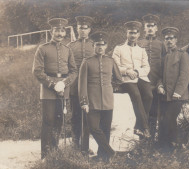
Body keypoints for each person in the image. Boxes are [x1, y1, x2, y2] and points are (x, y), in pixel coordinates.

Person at [32, 18, 77, 159]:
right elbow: (37, 71)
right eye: (56, 30)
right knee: (48, 120)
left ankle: (54, 151)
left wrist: (64, 83)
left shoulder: (67, 50)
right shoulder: (43, 48)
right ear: (51, 31)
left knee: (59, 120)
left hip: (64, 89)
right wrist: (52, 84)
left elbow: (74, 70)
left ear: (65, 33)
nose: (59, 33)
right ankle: (45, 155)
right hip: (48, 90)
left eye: (62, 30)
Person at [78, 31, 122, 161]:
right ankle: (111, 152)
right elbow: (82, 84)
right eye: (97, 45)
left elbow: (119, 79)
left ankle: (104, 157)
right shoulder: (87, 62)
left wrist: (110, 86)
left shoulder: (111, 61)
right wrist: (84, 102)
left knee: (106, 129)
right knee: (94, 128)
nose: (100, 47)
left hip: (107, 100)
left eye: (103, 45)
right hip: (92, 101)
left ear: (106, 46)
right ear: (93, 46)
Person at [112, 21, 153, 138]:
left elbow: (147, 67)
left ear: (138, 34)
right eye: (130, 33)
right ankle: (145, 127)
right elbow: (115, 66)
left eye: (135, 33)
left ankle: (138, 126)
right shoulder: (119, 48)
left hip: (140, 77)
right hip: (126, 79)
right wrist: (127, 71)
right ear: (127, 33)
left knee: (149, 96)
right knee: (136, 95)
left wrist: (137, 72)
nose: (133, 36)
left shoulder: (141, 50)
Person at [157, 27, 189, 150]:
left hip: (177, 96)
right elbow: (160, 76)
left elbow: (185, 75)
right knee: (164, 121)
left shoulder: (183, 55)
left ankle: (172, 146)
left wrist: (178, 92)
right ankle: (167, 146)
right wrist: (159, 85)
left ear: (176, 40)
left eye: (171, 38)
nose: (169, 41)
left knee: (169, 119)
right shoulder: (164, 57)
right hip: (165, 96)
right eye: (166, 39)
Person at [67, 16, 94, 152]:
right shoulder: (71, 46)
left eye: (85, 28)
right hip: (74, 85)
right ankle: (75, 144)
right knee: (75, 115)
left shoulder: (94, 45)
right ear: (77, 29)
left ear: (89, 29)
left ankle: (85, 145)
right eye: (80, 28)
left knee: (88, 116)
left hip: (90, 86)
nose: (83, 30)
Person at [138, 14, 166, 141]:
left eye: (152, 26)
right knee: (141, 112)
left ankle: (151, 141)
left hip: (155, 83)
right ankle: (142, 142)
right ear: (144, 28)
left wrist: (160, 82)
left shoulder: (161, 44)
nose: (150, 28)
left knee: (154, 112)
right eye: (148, 26)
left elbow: (165, 65)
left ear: (156, 28)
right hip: (141, 83)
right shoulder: (139, 43)